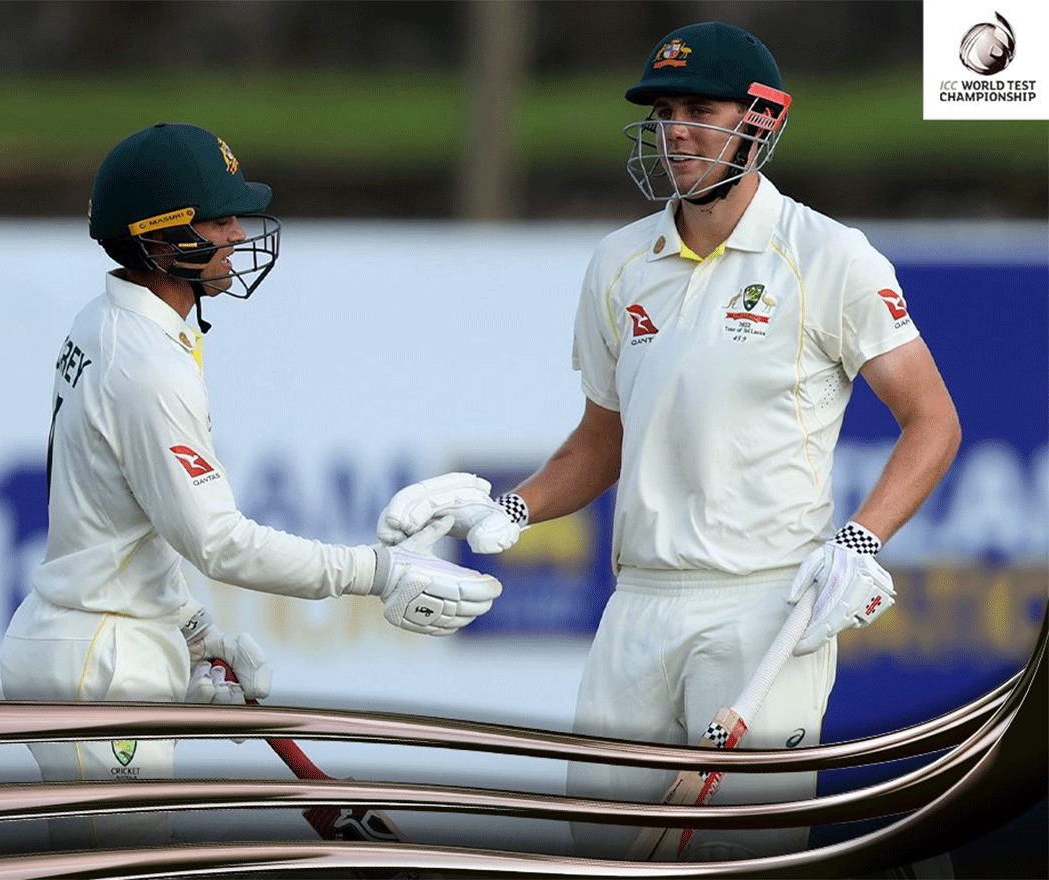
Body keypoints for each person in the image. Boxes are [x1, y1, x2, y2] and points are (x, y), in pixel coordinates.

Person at [375, 21, 961, 862]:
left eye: (698, 109)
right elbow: (600, 440)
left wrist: (860, 541)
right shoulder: (620, 263)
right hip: (638, 609)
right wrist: (510, 504)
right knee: (601, 855)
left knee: (744, 856)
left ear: (760, 121)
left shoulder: (829, 255)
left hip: (765, 605)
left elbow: (933, 422)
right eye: (663, 112)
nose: (675, 130)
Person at [0, 122, 502, 847]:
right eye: (218, 217)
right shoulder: (147, 366)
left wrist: (193, 632)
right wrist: (376, 570)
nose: (238, 231)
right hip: (102, 661)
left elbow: (128, 521)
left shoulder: (111, 320)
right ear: (161, 236)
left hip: (85, 635)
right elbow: (218, 541)